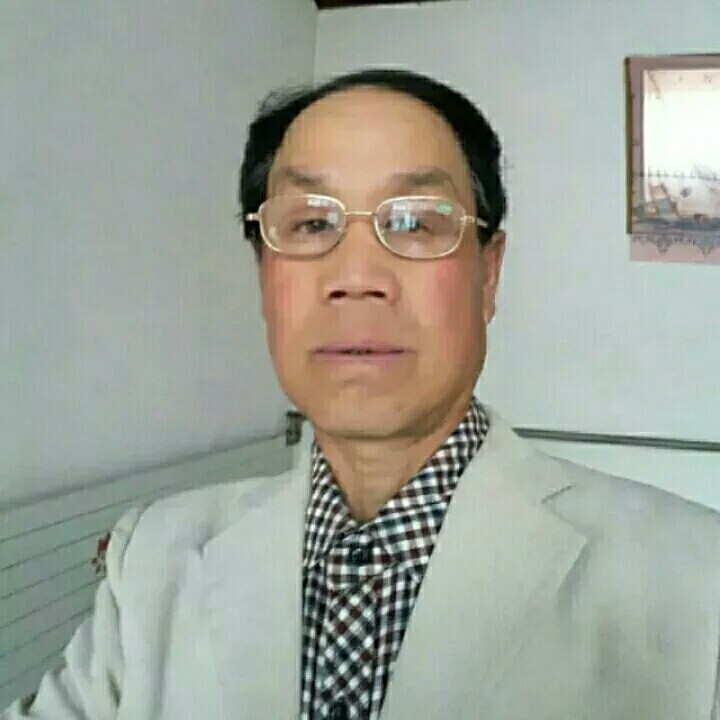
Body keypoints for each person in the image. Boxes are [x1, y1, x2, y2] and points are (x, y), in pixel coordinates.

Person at [3, 67, 720, 720]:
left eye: (415, 222)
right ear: (264, 275)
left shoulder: (694, 584)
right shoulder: (151, 563)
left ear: (488, 275)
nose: (357, 277)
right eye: (311, 223)